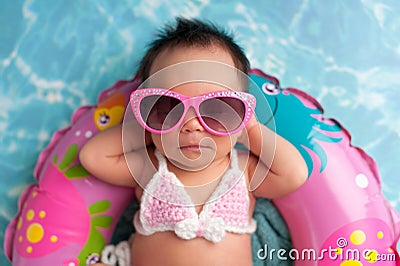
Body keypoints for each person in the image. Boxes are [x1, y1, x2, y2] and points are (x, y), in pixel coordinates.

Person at [80, 17, 308, 266]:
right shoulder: (151, 169)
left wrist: (250, 130)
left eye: (217, 109)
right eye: (167, 107)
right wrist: (153, 127)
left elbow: (293, 174)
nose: (192, 124)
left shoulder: (243, 171)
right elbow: (92, 157)